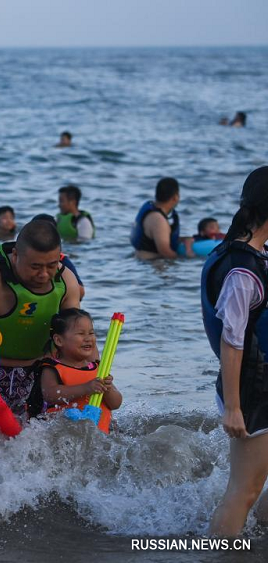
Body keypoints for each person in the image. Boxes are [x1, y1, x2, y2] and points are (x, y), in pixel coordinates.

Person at [201, 166, 268, 536]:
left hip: (257, 381)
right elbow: (233, 339)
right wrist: (234, 406)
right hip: (252, 389)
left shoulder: (238, 252)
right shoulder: (242, 271)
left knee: (255, 485)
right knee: (244, 490)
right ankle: (225, 552)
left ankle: (257, 534)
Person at [0, 220, 81, 416]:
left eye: (51, 265)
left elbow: (76, 337)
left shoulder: (66, 280)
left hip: (41, 371)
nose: (43, 274)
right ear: (15, 255)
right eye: (35, 266)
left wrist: (94, 377)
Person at [32, 309, 121, 433]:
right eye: (81, 333)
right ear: (59, 340)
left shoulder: (98, 368)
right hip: (66, 434)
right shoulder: (52, 368)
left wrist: (108, 389)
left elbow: (116, 404)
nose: (88, 338)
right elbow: (50, 394)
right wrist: (86, 388)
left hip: (100, 435)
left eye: (91, 333)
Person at [131, 177, 194, 259]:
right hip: (154, 264)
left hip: (142, 262)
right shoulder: (159, 220)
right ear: (175, 197)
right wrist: (186, 260)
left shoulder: (152, 211)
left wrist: (184, 240)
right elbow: (165, 252)